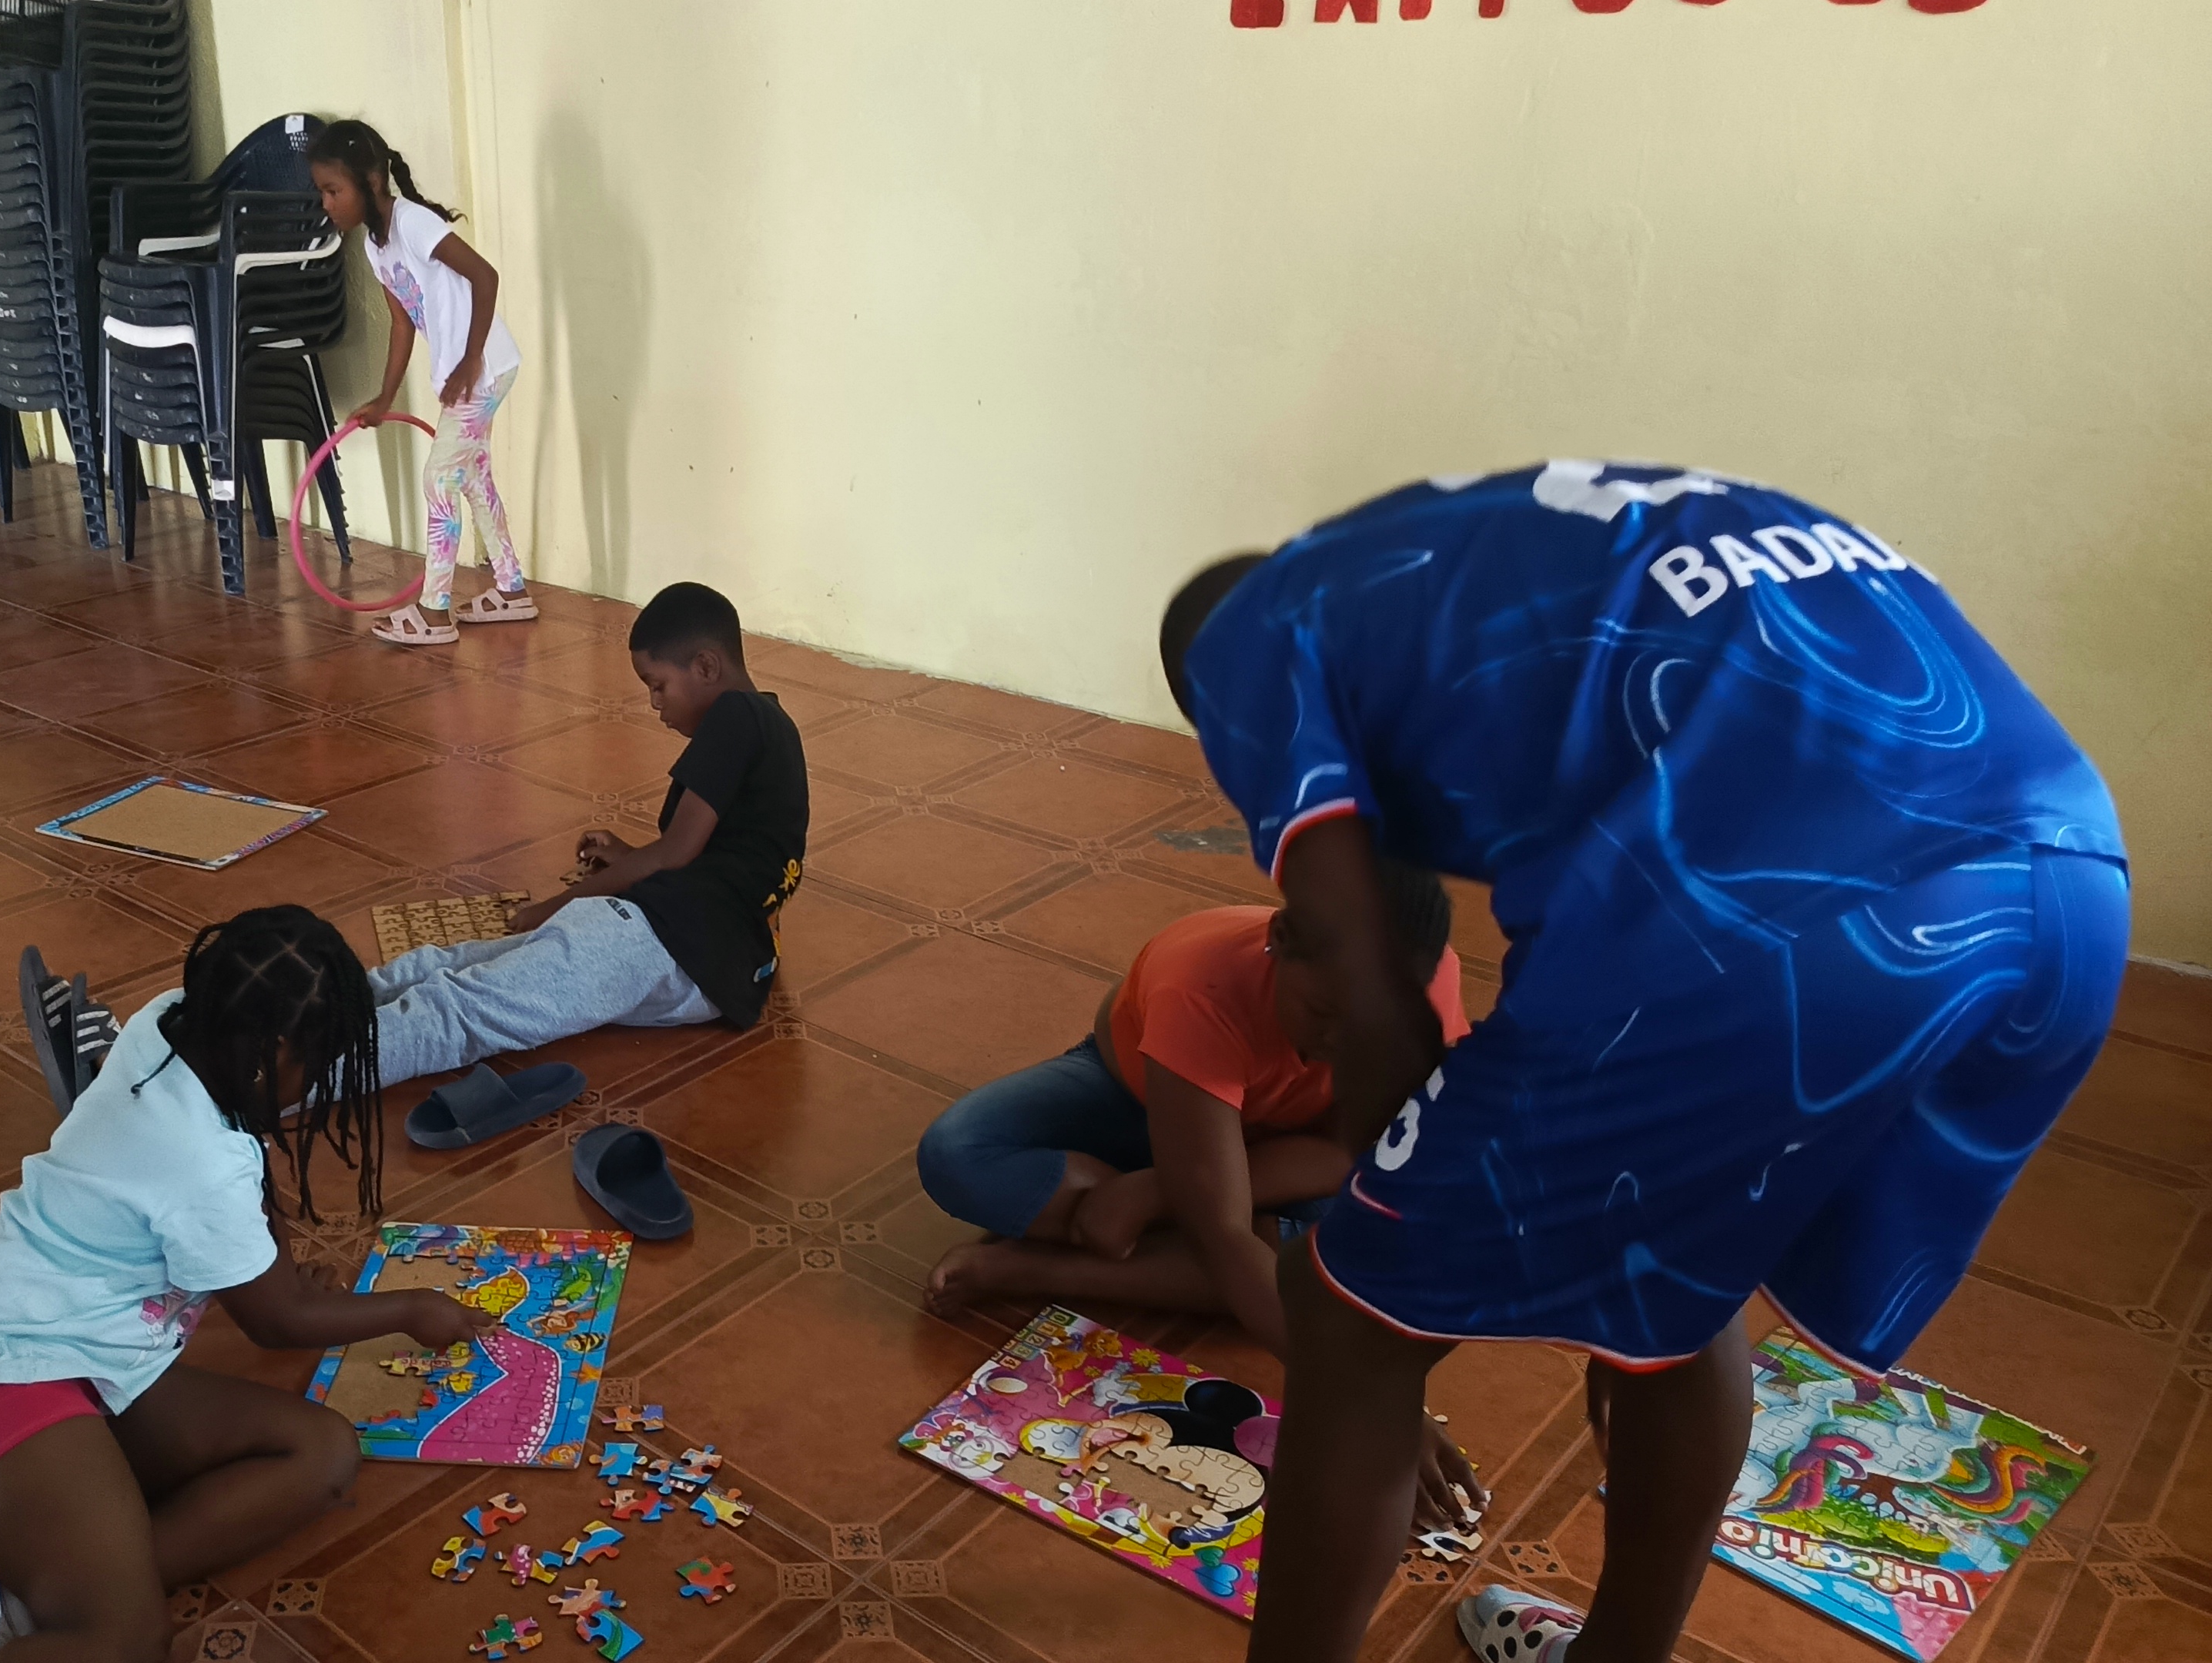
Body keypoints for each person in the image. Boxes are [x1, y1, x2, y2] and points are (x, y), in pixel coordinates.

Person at [1166, 462, 2129, 1663]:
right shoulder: (1460, 547)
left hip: (1792, 919)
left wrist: (1397, 1229)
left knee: (1348, 1311)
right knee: (1674, 1291)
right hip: (2070, 882)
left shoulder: (1251, 639)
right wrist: (1594, 1231)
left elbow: (1372, 998)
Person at [0, 906, 490, 1661]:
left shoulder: (173, 1023)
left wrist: (276, 1271)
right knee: (130, 1640)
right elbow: (276, 1323)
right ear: (275, 1053)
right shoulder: (198, 1163)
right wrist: (413, 1307)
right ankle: (65, 1610)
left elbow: (248, 1172)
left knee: (321, 1453)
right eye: (315, 1066)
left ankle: (54, 1586)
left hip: (93, 1362)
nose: (314, 1086)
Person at [915, 881, 1481, 1533]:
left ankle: (1036, 1265)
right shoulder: (1202, 983)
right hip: (1142, 1100)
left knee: (1390, 1236)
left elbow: (1358, 1145)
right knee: (960, 1153)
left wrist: (1160, 1191)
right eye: (1324, 1009)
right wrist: (1372, 1405)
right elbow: (1225, 1234)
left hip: (1290, 1147)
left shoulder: (1423, 984)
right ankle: (1200, 1212)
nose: (1344, 1043)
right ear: (1280, 943)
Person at [372, 582, 808, 1080]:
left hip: (672, 943)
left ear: (707, 667)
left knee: (462, 1006)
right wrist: (628, 855)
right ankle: (328, 1004)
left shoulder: (736, 714)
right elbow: (725, 857)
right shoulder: (774, 726)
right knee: (462, 970)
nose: (655, 703)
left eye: (658, 685)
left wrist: (553, 907)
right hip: (711, 967)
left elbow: (675, 854)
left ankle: (307, 1071)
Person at [308, 119, 530, 647]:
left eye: (333, 191)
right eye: (323, 192)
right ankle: (511, 588)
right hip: (469, 374)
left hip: (484, 368)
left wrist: (470, 360)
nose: (326, 204)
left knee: (439, 479)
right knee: (472, 477)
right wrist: (385, 399)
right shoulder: (376, 245)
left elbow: (485, 276)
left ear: (370, 182)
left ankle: (435, 610)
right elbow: (403, 322)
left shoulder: (412, 223)